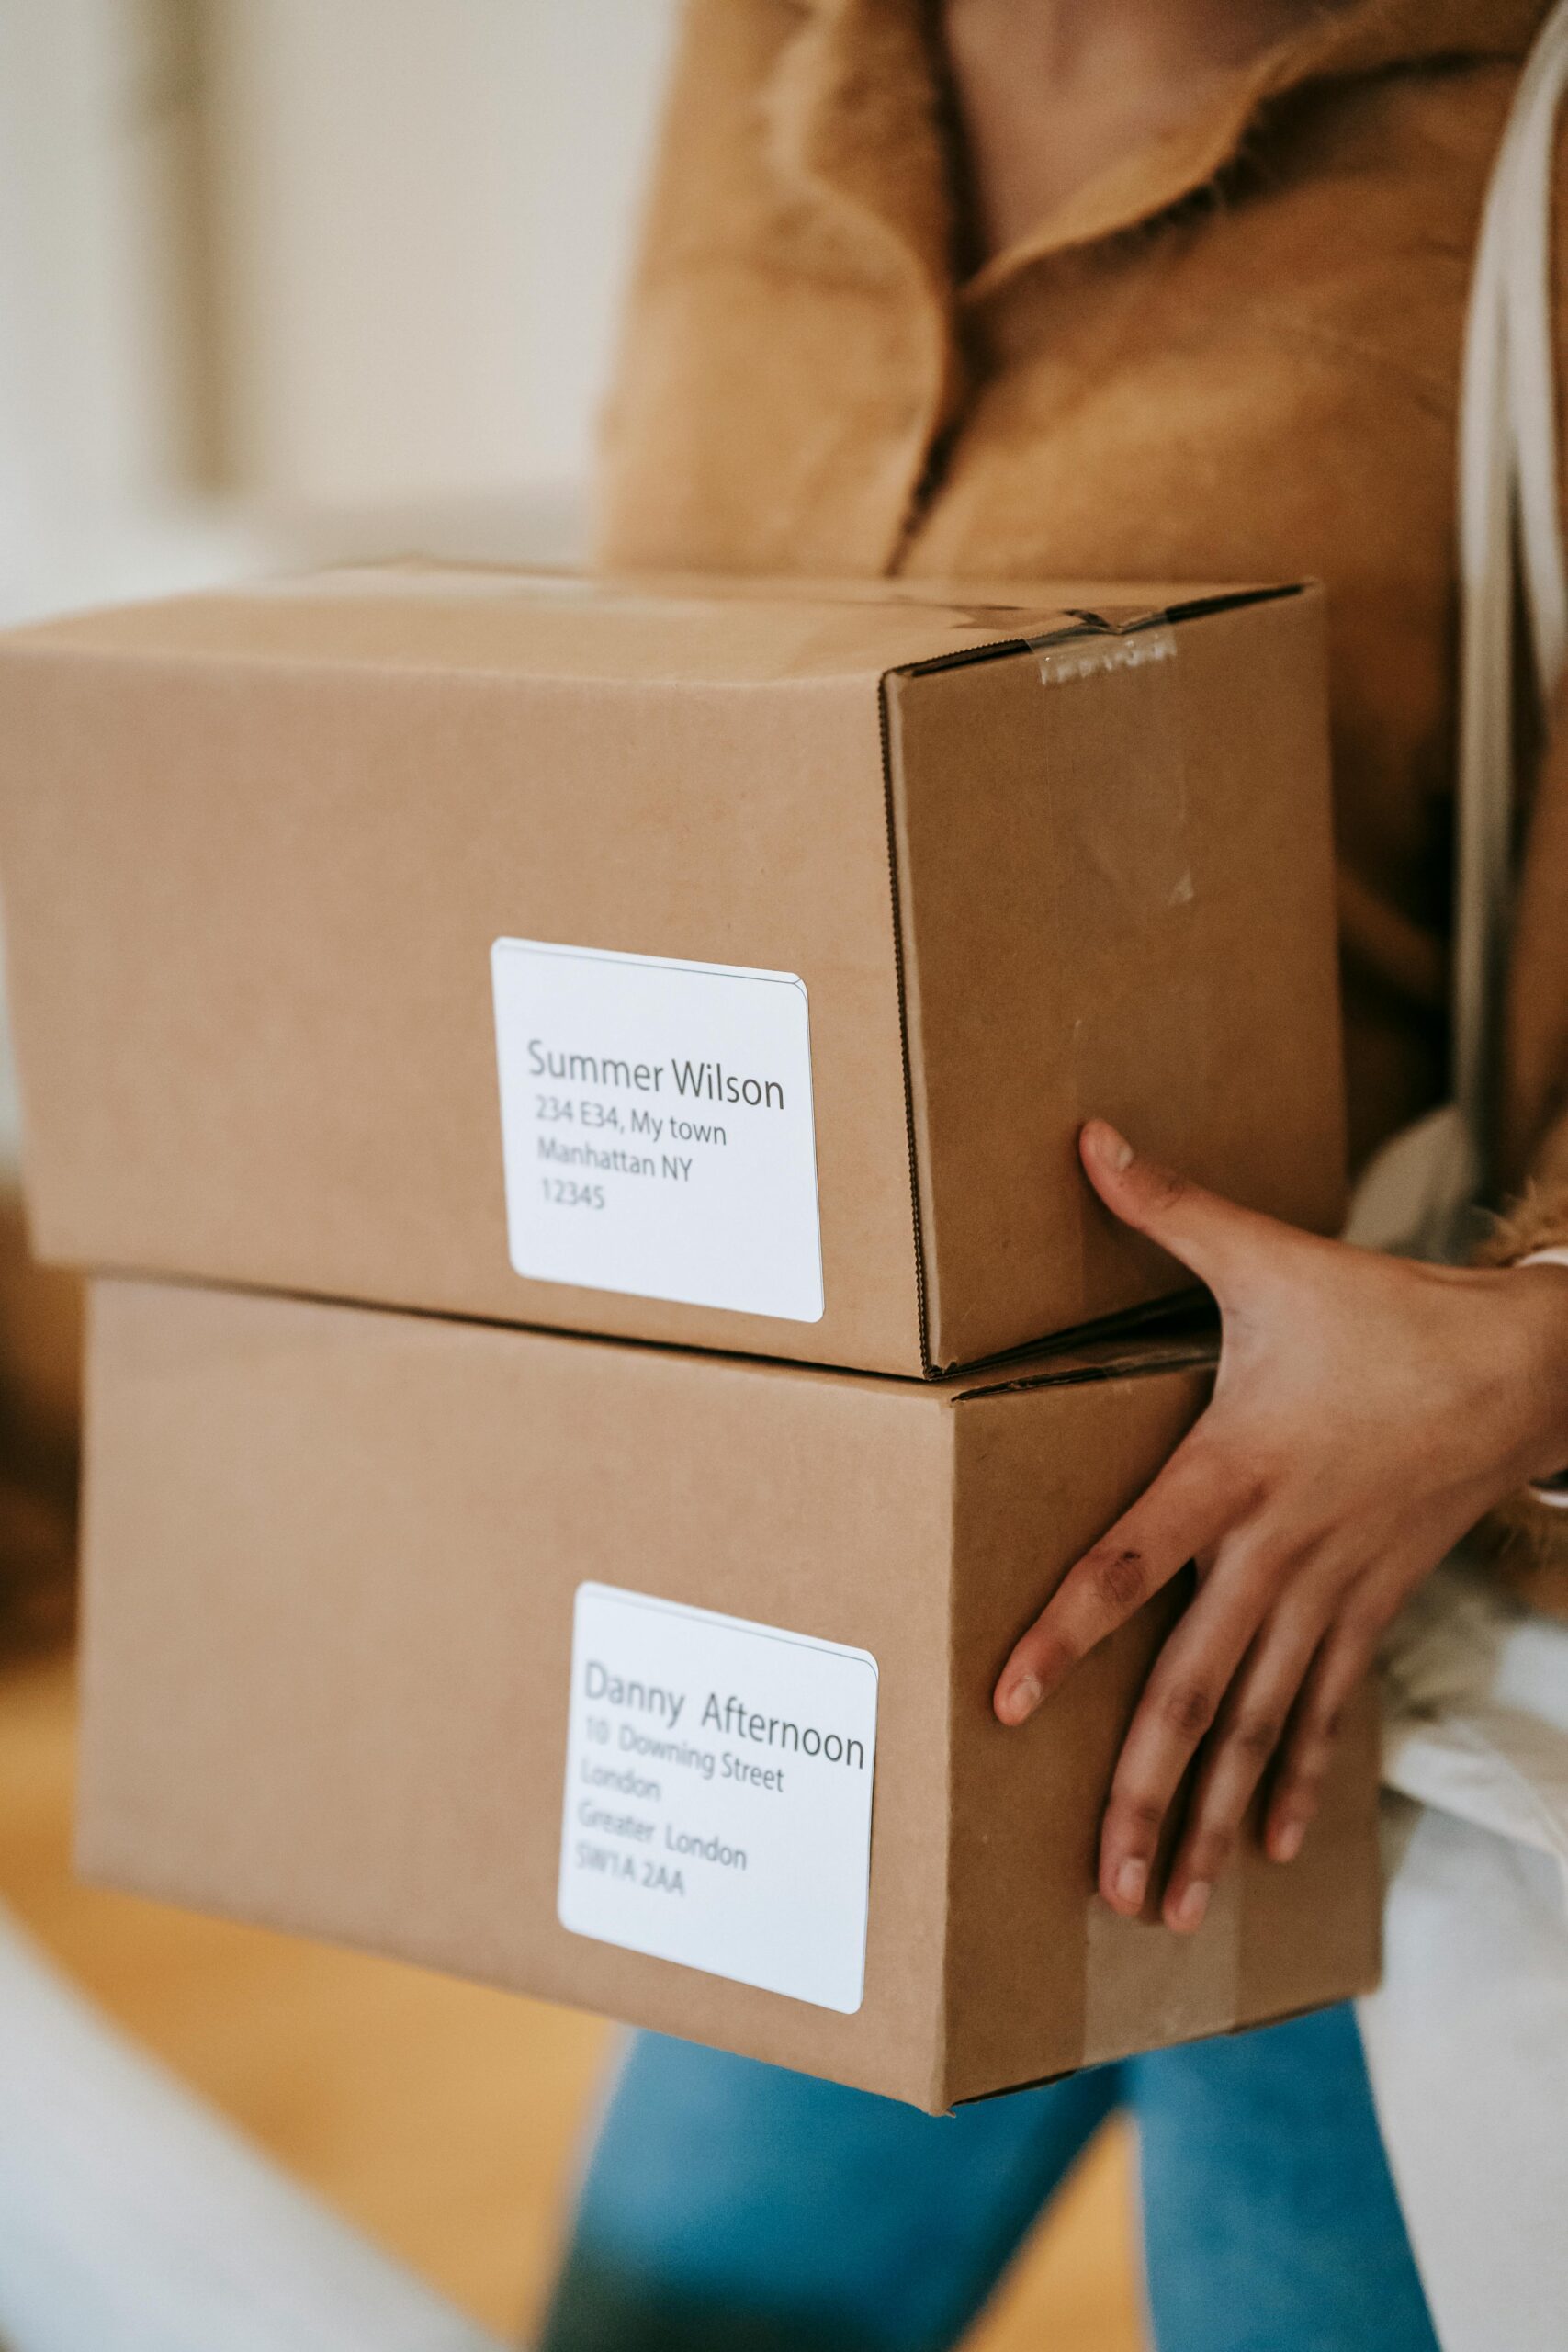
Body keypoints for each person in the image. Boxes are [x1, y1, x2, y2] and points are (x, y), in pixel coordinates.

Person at [541, 3, 1568, 2345]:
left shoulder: (1524, 112)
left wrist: (1528, 1348)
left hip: (1331, 1654)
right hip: (809, 1611)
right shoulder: (767, 49)